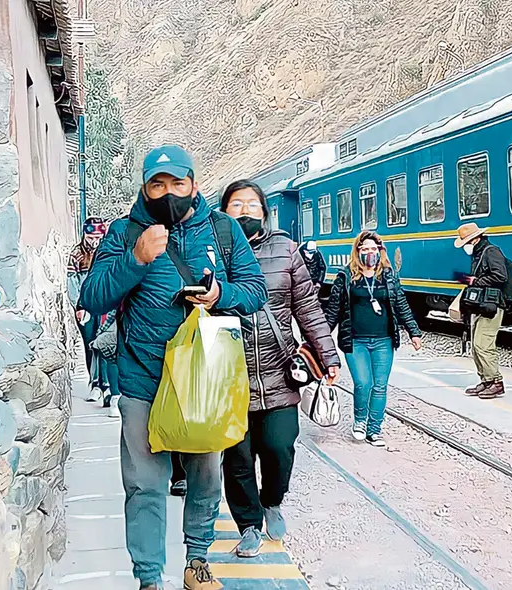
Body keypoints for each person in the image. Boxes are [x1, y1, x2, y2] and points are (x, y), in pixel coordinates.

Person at [79, 144, 268, 590]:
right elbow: (92, 296)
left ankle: (197, 560)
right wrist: (137, 259)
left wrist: (221, 295)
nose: (168, 193)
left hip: (204, 380)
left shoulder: (222, 230)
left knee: (205, 474)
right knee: (144, 484)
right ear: (144, 188)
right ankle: (148, 577)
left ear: (194, 185)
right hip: (144, 380)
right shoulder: (126, 233)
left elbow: (255, 289)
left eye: (177, 183)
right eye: (157, 184)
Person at [219, 179, 342, 557]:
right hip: (227, 376)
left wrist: (328, 357)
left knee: (279, 447)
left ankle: (272, 500)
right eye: (236, 205)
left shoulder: (286, 252)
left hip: (279, 372)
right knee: (237, 457)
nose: (244, 211)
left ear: (265, 212)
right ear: (223, 212)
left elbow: (308, 310)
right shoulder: (210, 253)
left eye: (252, 205)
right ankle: (249, 525)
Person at [325, 230, 422, 447]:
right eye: (365, 249)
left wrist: (413, 331)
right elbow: (332, 311)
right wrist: (319, 341)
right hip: (355, 341)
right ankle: (360, 421)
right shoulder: (346, 276)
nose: (369, 253)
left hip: (383, 341)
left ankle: (374, 429)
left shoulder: (388, 275)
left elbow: (401, 304)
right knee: (363, 383)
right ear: (357, 251)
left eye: (373, 249)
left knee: (380, 386)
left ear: (380, 251)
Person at [454, 222, 509, 399]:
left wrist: (474, 281)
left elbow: (500, 276)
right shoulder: (479, 254)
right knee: (476, 346)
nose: (465, 247)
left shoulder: (491, 251)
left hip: (491, 306)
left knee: (483, 344)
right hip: (481, 305)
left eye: (467, 243)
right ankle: (486, 380)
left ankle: (496, 382)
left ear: (475, 239)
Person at [67, 217, 109, 402]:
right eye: (91, 237)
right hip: (86, 306)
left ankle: (106, 384)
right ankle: (94, 383)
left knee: (106, 343)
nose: (94, 242)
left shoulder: (107, 252)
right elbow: (72, 284)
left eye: (98, 238)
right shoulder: (76, 255)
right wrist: (80, 305)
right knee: (90, 344)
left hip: (106, 303)